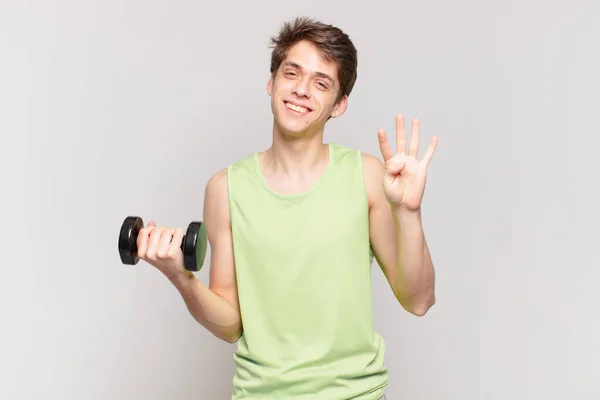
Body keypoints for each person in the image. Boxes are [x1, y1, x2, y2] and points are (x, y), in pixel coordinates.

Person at [135, 16, 438, 400]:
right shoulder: (225, 188)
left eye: (321, 82)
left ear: (339, 104)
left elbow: (419, 300)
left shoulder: (365, 176)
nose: (301, 90)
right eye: (292, 73)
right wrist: (181, 277)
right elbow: (229, 324)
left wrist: (408, 214)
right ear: (271, 81)